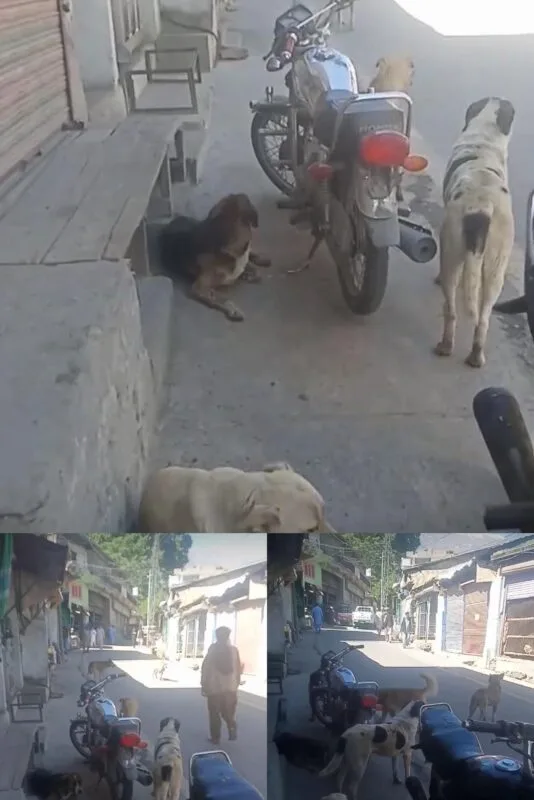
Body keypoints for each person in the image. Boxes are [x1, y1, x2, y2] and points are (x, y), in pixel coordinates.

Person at [200, 626, 243, 745]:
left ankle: (215, 738)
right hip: (231, 687)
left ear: (217, 636)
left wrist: (204, 684)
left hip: (214, 688)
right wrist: (236, 684)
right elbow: (238, 669)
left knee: (214, 714)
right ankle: (231, 725)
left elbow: (206, 667)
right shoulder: (234, 650)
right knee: (227, 712)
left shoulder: (213, 649)